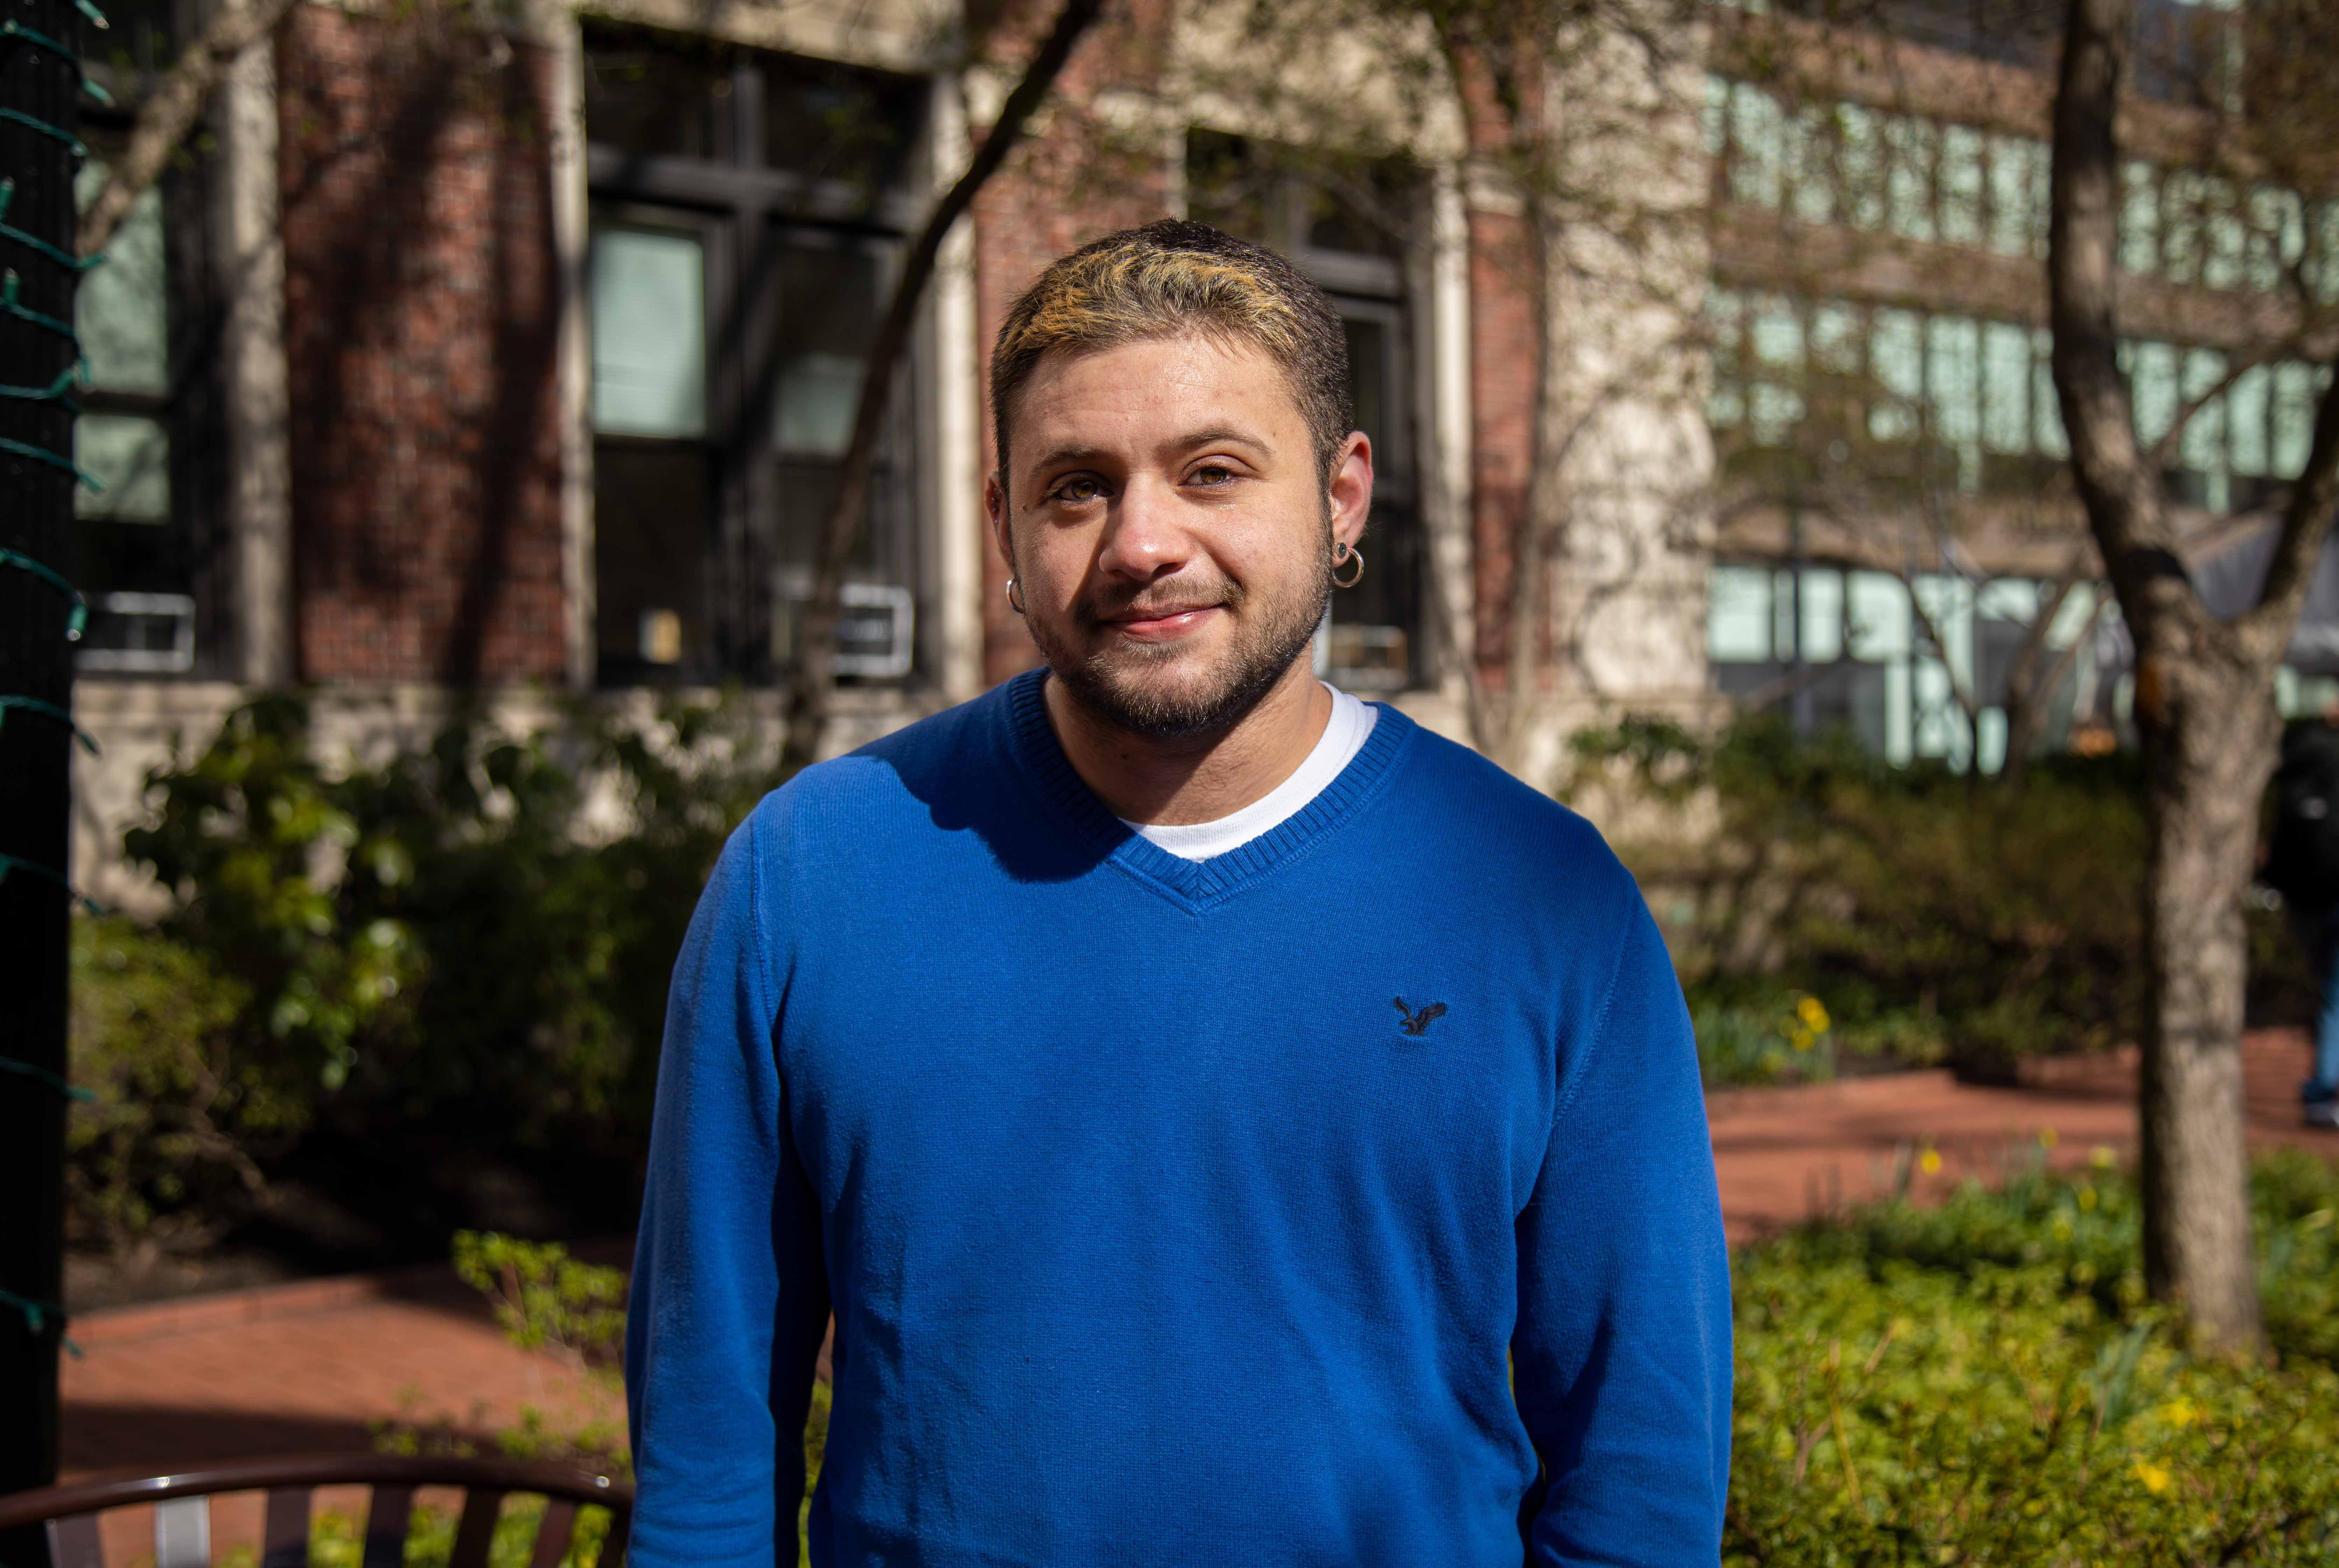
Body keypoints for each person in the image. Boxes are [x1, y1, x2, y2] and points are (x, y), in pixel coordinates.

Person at [623, 220, 1732, 1566]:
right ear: (1002, 525)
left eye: (1211, 471)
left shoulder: (1544, 899)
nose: (1143, 542)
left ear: (1339, 498)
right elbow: (705, 1437)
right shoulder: (810, 874)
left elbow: (1639, 1463)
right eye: (1075, 487)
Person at [2270, 698, 2339, 1130]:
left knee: (2333, 995)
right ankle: (2322, 1090)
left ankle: (2332, 1076)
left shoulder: (2304, 758)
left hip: (2303, 900)